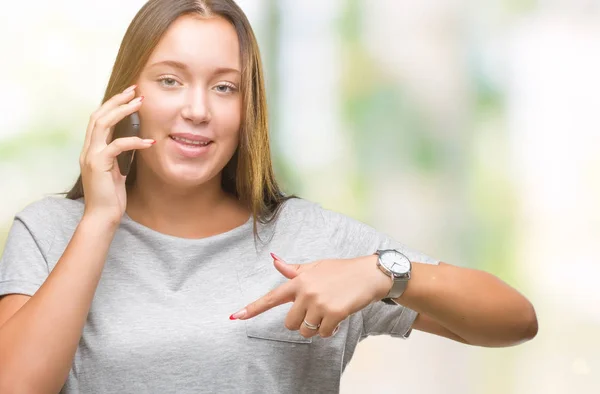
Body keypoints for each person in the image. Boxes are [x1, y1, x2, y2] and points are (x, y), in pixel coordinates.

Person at [0, 0, 538, 393]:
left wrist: (388, 272)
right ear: (127, 94)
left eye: (224, 86)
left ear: (248, 108)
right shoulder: (50, 230)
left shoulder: (311, 236)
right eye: (170, 80)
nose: (197, 109)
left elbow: (516, 320)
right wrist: (99, 221)